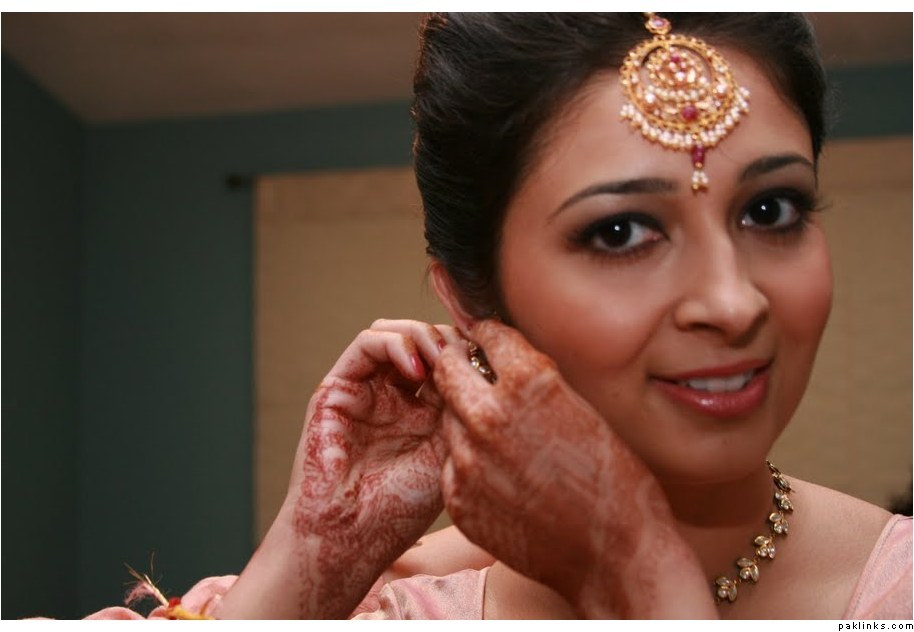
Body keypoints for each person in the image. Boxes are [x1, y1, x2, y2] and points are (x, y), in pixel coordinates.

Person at [82, 13, 912, 620]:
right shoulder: (375, 605)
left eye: (771, 210)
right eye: (621, 232)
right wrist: (307, 565)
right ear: (475, 303)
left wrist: (637, 576)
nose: (733, 302)